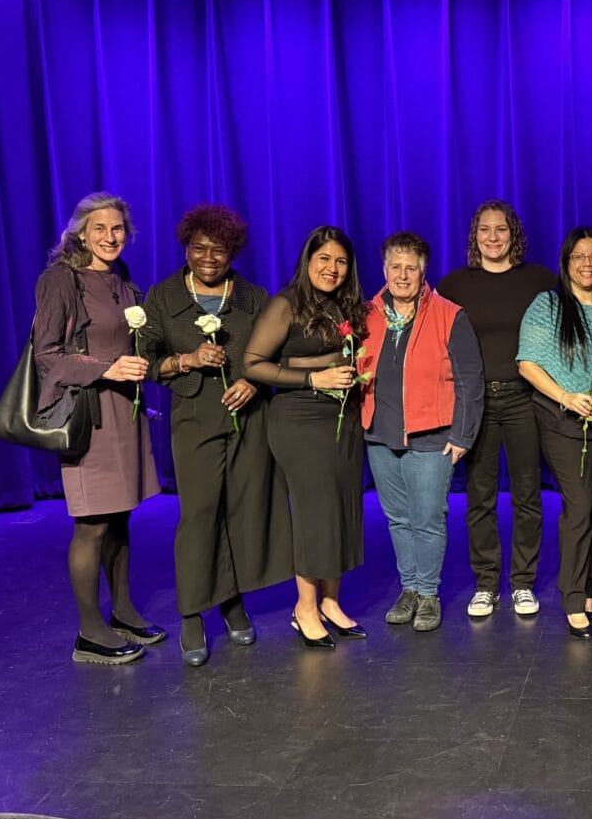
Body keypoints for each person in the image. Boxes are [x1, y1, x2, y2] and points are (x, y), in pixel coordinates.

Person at [140, 204, 294, 666]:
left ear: (233, 253)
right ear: (185, 248)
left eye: (219, 250)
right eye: (199, 248)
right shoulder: (164, 297)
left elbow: (276, 353)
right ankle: (192, 613)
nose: (208, 258)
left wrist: (253, 382)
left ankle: (231, 601)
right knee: (200, 514)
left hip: (247, 419)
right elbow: (144, 360)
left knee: (241, 510)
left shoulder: (252, 296)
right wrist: (184, 360)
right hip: (194, 417)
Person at [33, 192, 162, 664]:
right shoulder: (59, 279)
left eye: (118, 228)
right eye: (100, 228)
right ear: (81, 234)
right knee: (92, 525)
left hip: (124, 411)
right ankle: (89, 633)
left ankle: (123, 611)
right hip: (88, 414)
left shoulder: (121, 278)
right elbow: (48, 356)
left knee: (121, 517)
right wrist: (107, 369)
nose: (110, 237)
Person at [243, 226, 369, 649]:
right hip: (300, 420)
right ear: (307, 261)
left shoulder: (345, 306)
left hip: (343, 419)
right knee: (315, 513)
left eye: (341, 261)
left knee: (340, 508)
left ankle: (331, 602)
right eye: (324, 259)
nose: (332, 268)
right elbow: (253, 364)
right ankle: (305, 607)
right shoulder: (286, 304)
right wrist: (314, 377)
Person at [517, 227, 592, 639]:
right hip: (564, 424)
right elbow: (528, 363)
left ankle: (588, 588)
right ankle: (571, 597)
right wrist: (567, 397)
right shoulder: (548, 305)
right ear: (566, 261)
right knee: (580, 507)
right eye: (578, 256)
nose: (587, 264)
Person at [359, 232, 484, 633]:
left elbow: (470, 380)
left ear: (423, 271)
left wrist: (462, 435)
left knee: (427, 518)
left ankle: (429, 593)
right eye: (395, 267)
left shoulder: (449, 315)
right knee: (397, 519)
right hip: (380, 434)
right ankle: (409, 588)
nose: (402, 275)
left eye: (410, 268)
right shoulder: (367, 314)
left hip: (432, 436)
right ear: (384, 270)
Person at [438, 201, 555, 619]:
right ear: (474, 235)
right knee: (480, 497)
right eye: (484, 229)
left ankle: (522, 583)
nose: (492, 237)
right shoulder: (454, 285)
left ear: (513, 234)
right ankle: (486, 584)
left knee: (527, 495)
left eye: (501, 229)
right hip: (477, 404)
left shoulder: (539, 281)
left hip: (526, 400)